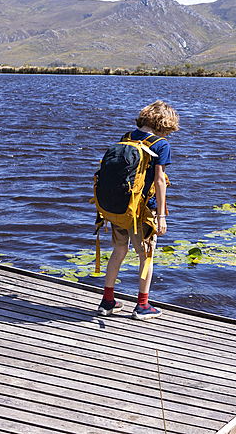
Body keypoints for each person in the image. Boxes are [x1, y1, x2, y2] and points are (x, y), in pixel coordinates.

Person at [97, 100, 179, 320]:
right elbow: (160, 181)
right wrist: (161, 216)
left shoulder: (127, 137)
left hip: (120, 207)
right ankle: (142, 306)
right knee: (146, 257)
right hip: (143, 210)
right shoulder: (161, 145)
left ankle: (107, 302)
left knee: (119, 250)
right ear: (165, 123)